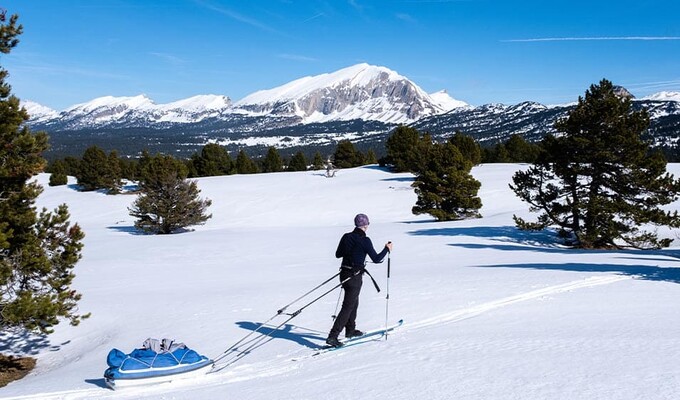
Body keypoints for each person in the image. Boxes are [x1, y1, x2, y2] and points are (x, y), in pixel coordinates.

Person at [326, 213, 393, 348]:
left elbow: (338, 254)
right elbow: (377, 259)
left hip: (344, 274)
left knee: (353, 302)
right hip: (354, 276)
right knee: (348, 306)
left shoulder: (346, 237)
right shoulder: (365, 240)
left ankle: (350, 330)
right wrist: (387, 249)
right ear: (366, 225)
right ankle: (333, 336)